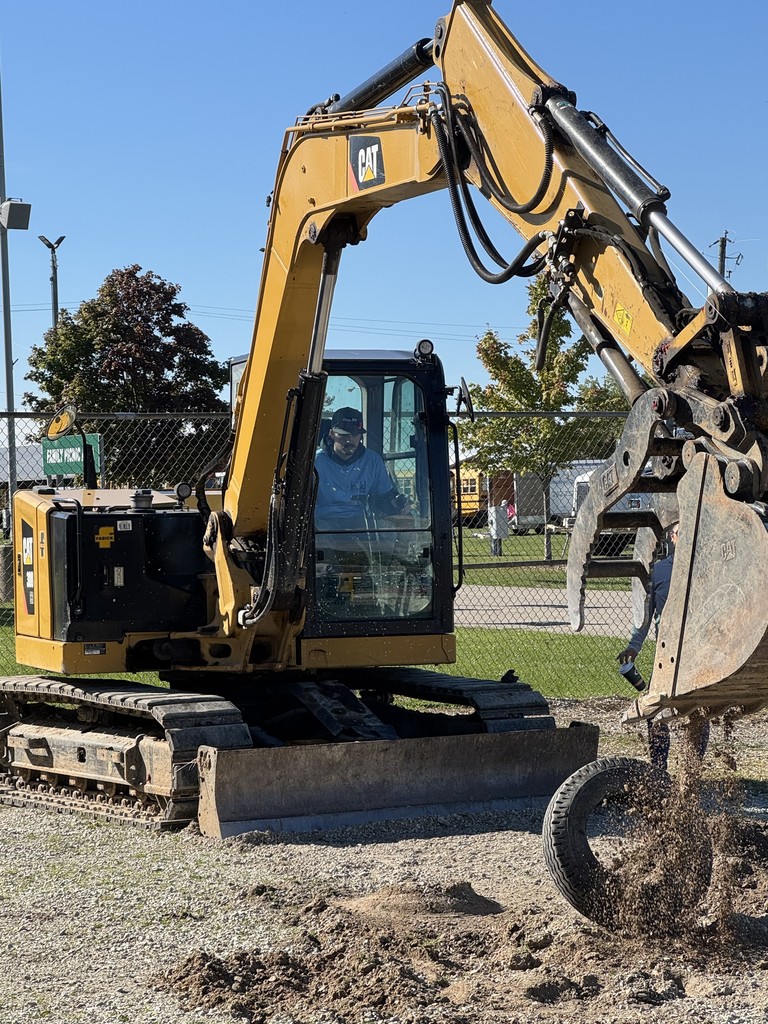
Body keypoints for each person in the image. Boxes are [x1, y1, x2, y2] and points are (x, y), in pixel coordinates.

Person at [617, 521, 710, 770]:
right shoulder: (658, 572)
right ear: (672, 538)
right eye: (681, 533)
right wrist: (633, 647)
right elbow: (645, 617)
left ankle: (692, 770)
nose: (685, 538)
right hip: (667, 654)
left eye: (691, 533)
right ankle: (659, 769)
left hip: (697, 652)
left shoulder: (705, 569)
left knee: (699, 712)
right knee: (656, 711)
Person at [314, 407, 408, 534]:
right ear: (331, 434)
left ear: (360, 436)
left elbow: (383, 497)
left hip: (361, 522)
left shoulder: (372, 461)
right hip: (322, 522)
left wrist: (395, 503)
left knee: (389, 533)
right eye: (343, 434)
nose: (350, 440)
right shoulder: (315, 462)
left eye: (354, 434)